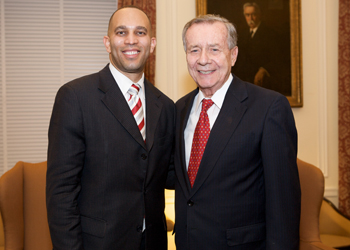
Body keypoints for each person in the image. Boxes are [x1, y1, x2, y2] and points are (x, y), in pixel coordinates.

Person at [46, 6, 175, 250]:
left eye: (140, 32)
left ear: (152, 43)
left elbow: (167, 173)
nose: (131, 40)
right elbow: (61, 193)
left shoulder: (166, 106)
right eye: (121, 32)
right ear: (107, 42)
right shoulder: (75, 98)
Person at [174, 14, 300, 249]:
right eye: (194, 50)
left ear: (233, 55)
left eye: (214, 49)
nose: (203, 60)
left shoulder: (269, 107)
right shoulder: (179, 109)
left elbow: (283, 204)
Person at [232, 2, 291, 96]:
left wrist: (264, 69)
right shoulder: (242, 35)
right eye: (247, 15)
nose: (250, 18)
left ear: (259, 15)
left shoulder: (270, 34)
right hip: (245, 81)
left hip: (263, 82)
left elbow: (277, 58)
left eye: (253, 14)